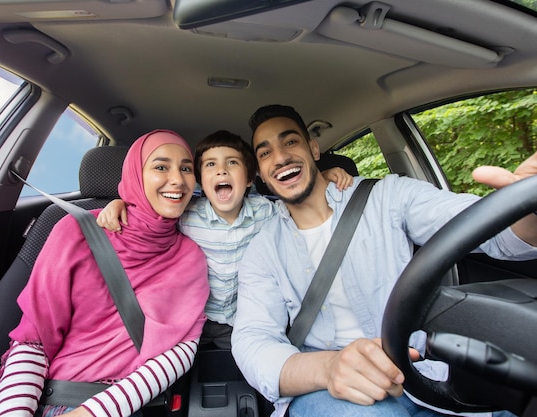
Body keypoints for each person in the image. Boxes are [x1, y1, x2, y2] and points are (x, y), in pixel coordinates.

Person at [230, 104, 537, 417]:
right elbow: (252, 339)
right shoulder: (262, 250)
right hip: (332, 391)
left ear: (313, 148)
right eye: (265, 153)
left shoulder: (388, 197)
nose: (280, 158)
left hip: (424, 375)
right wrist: (329, 367)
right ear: (262, 175)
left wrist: (526, 204)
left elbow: (487, 232)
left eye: (290, 142)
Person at [0, 130, 210, 417]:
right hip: (28, 395)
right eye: (161, 167)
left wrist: (88, 414)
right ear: (136, 174)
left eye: (186, 168)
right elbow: (34, 338)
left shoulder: (190, 257)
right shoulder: (74, 231)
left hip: (115, 406)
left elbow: (177, 354)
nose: (178, 179)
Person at [96, 130, 353, 349]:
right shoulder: (186, 214)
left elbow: (300, 206)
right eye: (210, 165)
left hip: (242, 321)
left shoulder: (266, 212)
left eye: (232, 163)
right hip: (196, 319)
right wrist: (120, 203)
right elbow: (152, 212)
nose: (221, 171)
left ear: (250, 179)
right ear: (200, 183)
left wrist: (323, 178)